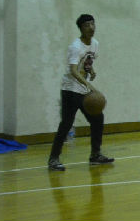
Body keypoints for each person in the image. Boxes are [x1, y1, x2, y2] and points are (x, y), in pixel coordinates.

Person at [48, 14, 114, 171]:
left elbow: (86, 62)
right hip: (70, 90)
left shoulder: (95, 44)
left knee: (98, 119)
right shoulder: (75, 47)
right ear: (81, 29)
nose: (91, 27)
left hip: (83, 90)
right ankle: (53, 159)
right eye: (86, 25)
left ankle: (95, 155)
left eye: (92, 24)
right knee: (66, 124)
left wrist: (92, 70)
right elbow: (73, 70)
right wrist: (90, 85)